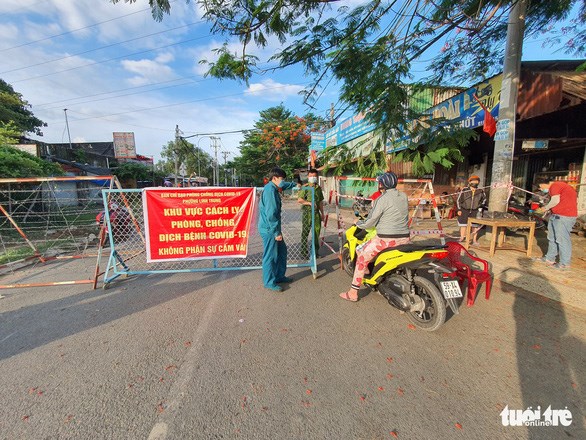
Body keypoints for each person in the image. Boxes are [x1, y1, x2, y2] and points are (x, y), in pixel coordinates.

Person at [339, 172, 410, 302]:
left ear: (382, 184)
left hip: (385, 239)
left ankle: (353, 292)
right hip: (405, 238)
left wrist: (358, 223)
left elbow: (370, 221)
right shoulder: (404, 196)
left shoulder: (381, 199)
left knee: (360, 253)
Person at [258, 167, 299, 292]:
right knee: (270, 256)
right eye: (281, 179)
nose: (283, 181)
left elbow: (284, 185)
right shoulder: (270, 191)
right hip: (270, 229)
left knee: (282, 252)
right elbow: (271, 214)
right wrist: (276, 232)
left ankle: (279, 276)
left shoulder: (274, 187)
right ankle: (269, 282)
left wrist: (295, 184)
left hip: (273, 228)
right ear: (274, 178)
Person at [537, 180, 578, 270]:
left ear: (546, 183)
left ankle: (564, 264)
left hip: (564, 216)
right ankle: (549, 259)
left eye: (540, 186)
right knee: (552, 238)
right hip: (556, 215)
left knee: (562, 239)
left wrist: (545, 208)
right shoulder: (559, 187)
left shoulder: (555, 186)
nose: (541, 189)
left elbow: (555, 201)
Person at [297, 168, 325, 259]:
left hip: (316, 213)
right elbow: (300, 200)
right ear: (308, 177)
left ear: (317, 177)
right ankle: (304, 253)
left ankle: (315, 252)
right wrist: (309, 203)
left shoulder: (318, 188)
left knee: (316, 233)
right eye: (311, 176)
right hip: (307, 213)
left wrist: (322, 214)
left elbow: (320, 201)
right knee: (305, 233)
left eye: (314, 176)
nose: (313, 178)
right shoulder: (305, 187)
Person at [456, 175, 487, 245]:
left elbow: (484, 200)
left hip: (475, 211)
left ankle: (474, 240)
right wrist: (459, 209)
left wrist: (480, 206)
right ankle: (461, 238)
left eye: (476, 181)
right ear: (469, 182)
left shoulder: (480, 191)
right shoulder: (464, 190)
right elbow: (458, 200)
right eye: (473, 181)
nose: (475, 182)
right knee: (463, 224)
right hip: (464, 210)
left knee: (475, 226)